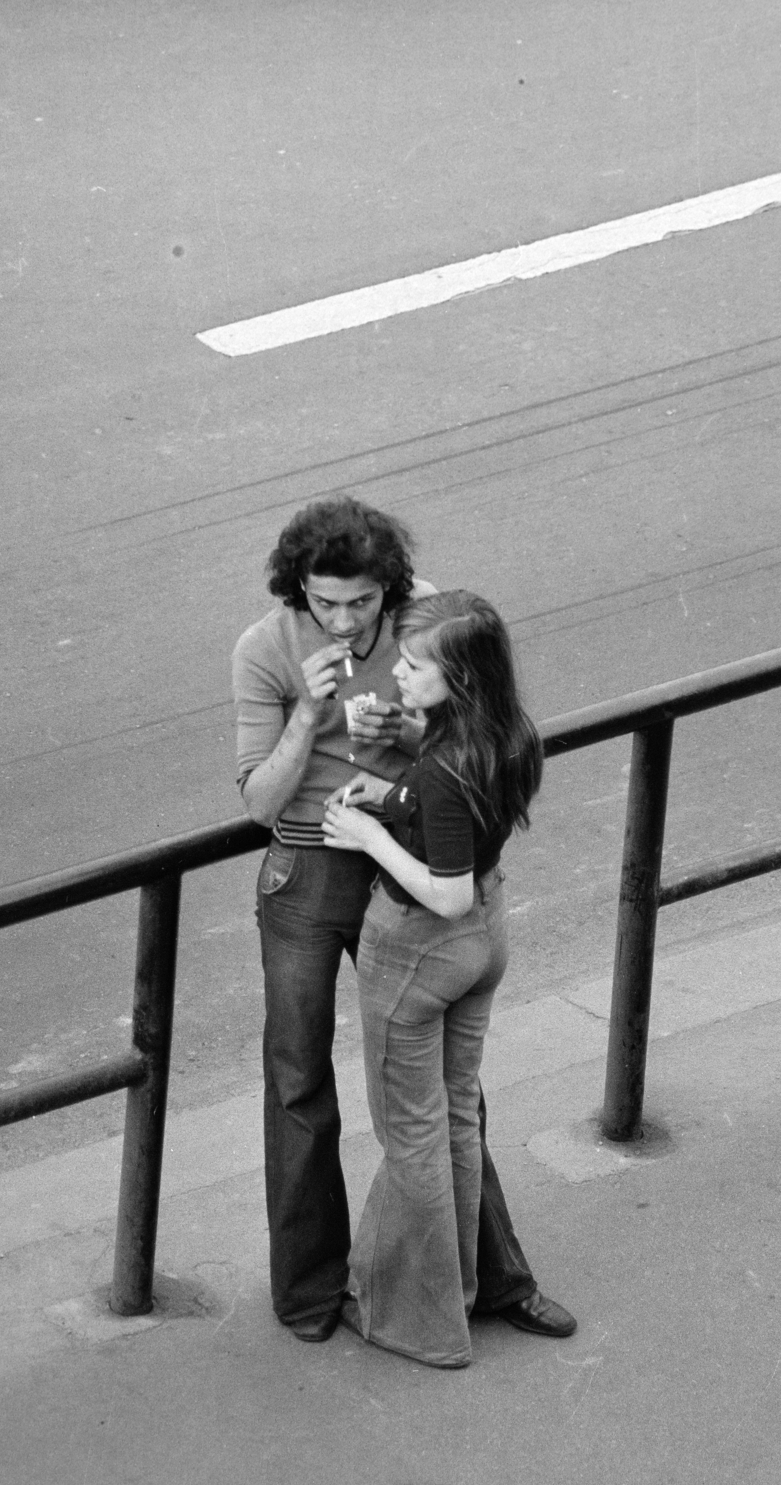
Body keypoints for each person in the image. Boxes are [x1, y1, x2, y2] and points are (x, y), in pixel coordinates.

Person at [233, 498, 576, 1344]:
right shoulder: (264, 650)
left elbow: (468, 735)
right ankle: (311, 1293)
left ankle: (493, 1276)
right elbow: (256, 802)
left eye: (361, 604)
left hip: (407, 858)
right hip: (309, 864)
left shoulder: (422, 617)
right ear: (296, 594)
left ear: (388, 586)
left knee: (443, 1089)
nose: (345, 622)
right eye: (326, 605)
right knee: (299, 1078)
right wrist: (307, 720)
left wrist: (408, 727)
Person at [321, 590, 565, 1366]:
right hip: (485, 941)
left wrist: (366, 833)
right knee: (457, 1118)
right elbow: (445, 812)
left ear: (459, 678)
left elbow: (443, 886)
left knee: (412, 1137)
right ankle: (457, 1295)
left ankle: (423, 1325)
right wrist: (390, 796)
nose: (400, 674)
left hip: (422, 947)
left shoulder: (445, 771)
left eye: (417, 665)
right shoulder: (506, 736)